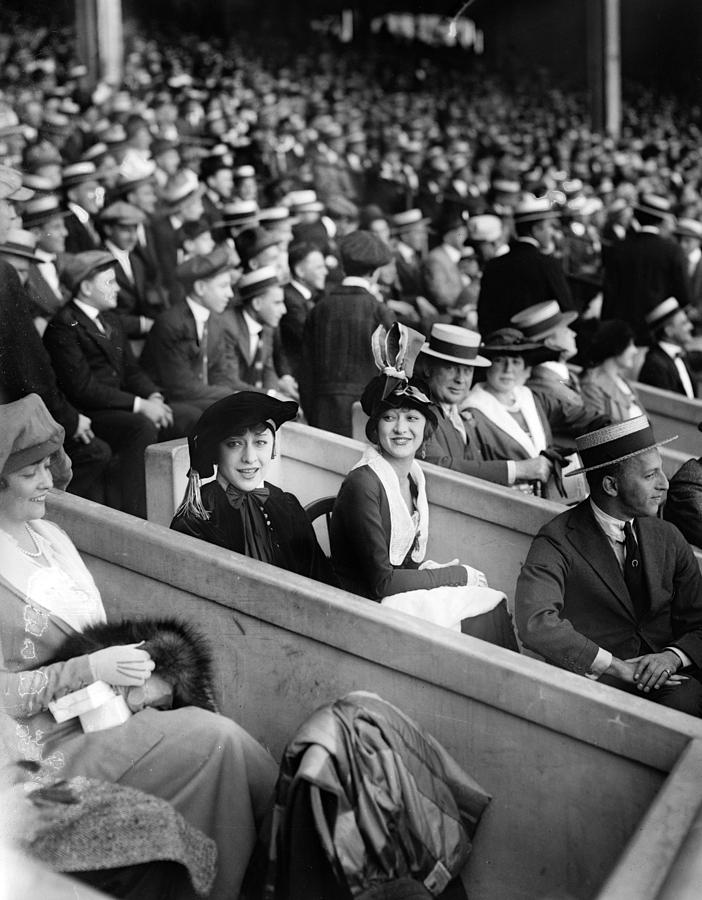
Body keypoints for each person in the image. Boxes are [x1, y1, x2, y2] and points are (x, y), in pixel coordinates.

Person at [0, 394, 278, 899]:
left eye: (47, 466)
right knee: (216, 741)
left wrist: (137, 676)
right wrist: (88, 669)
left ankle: (273, 857)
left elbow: (97, 630)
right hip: (39, 747)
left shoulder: (52, 536)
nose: (48, 481)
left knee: (222, 742)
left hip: (99, 711)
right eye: (30, 474)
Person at [330, 323, 518, 648]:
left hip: (390, 597)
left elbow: (407, 566)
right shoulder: (364, 483)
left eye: (412, 419)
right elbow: (381, 582)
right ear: (374, 428)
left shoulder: (414, 475)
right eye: (390, 418)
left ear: (426, 427)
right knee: (474, 601)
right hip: (362, 606)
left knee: (488, 600)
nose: (401, 429)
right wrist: (455, 575)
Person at [515, 416, 702, 717]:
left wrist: (671, 657)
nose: (664, 484)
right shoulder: (558, 539)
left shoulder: (667, 535)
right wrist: (618, 667)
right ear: (611, 485)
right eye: (651, 475)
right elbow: (535, 621)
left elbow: (699, 619)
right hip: (595, 689)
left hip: (673, 681)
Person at [43, 251, 199, 517]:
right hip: (89, 413)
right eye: (109, 282)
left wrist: (154, 396)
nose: (117, 288)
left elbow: (131, 370)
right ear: (86, 287)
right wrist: (140, 406)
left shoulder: (110, 318)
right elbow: (82, 389)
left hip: (117, 404)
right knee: (140, 427)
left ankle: (186, 506)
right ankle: (136, 515)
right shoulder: (63, 325)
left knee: (187, 416)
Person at [170, 392, 336, 585]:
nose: (249, 457)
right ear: (216, 451)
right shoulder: (197, 518)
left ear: (273, 447)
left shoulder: (285, 504)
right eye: (234, 443)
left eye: (260, 442)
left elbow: (320, 580)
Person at [415, 323, 551, 489]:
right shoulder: (418, 411)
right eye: (451, 368)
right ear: (428, 368)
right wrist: (517, 469)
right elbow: (437, 466)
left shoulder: (454, 414)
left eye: (467, 370)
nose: (460, 379)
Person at [463, 329, 581, 499]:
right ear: (487, 365)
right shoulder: (472, 412)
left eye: (515, 362)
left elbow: (575, 414)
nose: (508, 369)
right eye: (499, 361)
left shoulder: (528, 397)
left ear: (526, 367)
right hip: (504, 501)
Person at [300, 230, 396, 436]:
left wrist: (312, 412)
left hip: (322, 410)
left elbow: (306, 372)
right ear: (374, 272)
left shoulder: (319, 308)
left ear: (344, 267)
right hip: (366, 413)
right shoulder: (379, 311)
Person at [477, 195, 574, 336]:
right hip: (541, 347)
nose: (552, 233)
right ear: (536, 229)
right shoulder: (548, 264)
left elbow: (484, 316)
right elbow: (567, 309)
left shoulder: (493, 265)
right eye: (549, 226)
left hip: (500, 346)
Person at [602, 194, 690, 343]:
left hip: (623, 333)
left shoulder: (619, 247)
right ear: (661, 220)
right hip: (657, 333)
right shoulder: (672, 250)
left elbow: (609, 292)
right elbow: (684, 296)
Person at [580, 319, 645, 422]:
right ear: (617, 346)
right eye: (630, 345)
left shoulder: (624, 382)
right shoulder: (591, 385)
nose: (635, 350)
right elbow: (600, 428)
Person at [638, 297, 697, 398]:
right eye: (684, 323)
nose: (690, 326)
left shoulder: (680, 356)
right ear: (669, 331)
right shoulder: (655, 365)